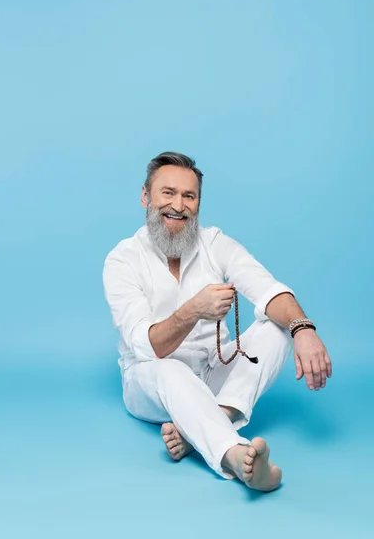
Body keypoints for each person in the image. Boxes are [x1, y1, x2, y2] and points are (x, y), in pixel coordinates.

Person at [103, 152, 332, 492]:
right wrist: (193, 309)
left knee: (278, 328)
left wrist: (304, 328)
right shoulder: (121, 260)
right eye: (168, 193)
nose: (178, 205)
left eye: (189, 196)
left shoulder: (215, 244)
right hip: (150, 380)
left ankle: (206, 424)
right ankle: (237, 457)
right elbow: (149, 347)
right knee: (170, 368)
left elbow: (269, 290)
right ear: (145, 196)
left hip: (212, 370)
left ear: (197, 203)